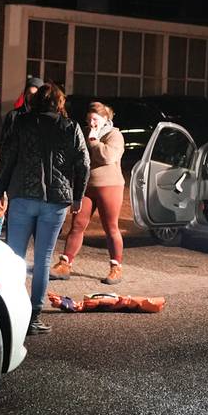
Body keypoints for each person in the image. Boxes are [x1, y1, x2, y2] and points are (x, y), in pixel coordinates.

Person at [0, 82, 89, 335]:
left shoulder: (22, 124)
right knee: (44, 259)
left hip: (23, 196)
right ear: (59, 102)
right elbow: (83, 164)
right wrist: (77, 196)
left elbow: (7, 157)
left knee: (15, 257)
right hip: (56, 200)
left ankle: (11, 312)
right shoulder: (70, 127)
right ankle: (34, 316)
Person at [51, 101, 126, 285]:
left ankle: (116, 267)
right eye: (90, 119)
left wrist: (94, 142)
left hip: (110, 185)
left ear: (105, 119)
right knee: (77, 224)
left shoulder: (114, 135)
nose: (92, 123)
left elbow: (108, 157)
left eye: (96, 119)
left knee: (110, 227)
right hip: (87, 186)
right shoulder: (84, 133)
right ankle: (65, 263)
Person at [1, 75, 43, 149]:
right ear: (25, 95)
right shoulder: (13, 115)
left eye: (35, 94)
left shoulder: (45, 118)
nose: (32, 97)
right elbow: (4, 142)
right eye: (29, 93)